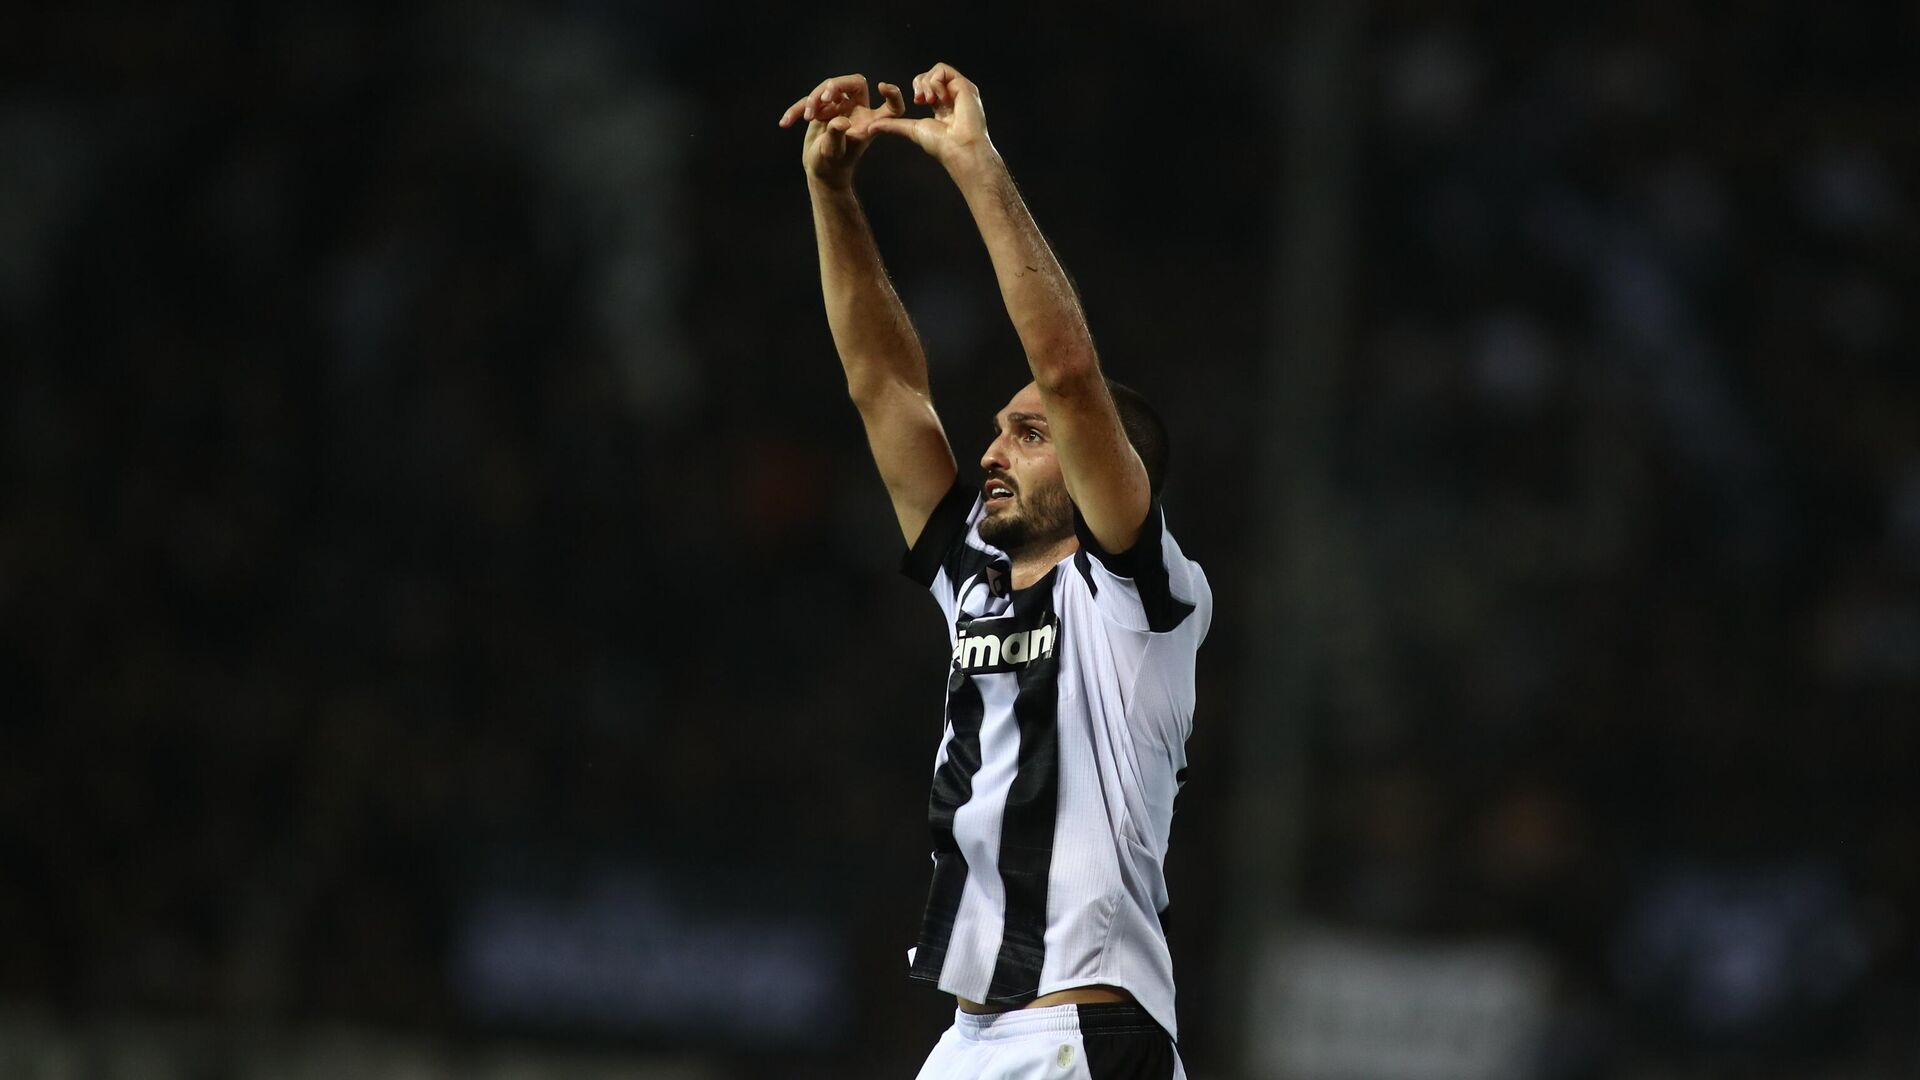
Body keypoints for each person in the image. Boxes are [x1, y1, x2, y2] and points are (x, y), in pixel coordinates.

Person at [780, 63, 1211, 1080]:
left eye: (1029, 435)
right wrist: (832, 191)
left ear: (1108, 467)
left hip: (1079, 1033)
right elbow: (884, 385)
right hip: (977, 1037)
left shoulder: (1140, 598)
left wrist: (975, 165)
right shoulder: (974, 575)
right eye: (999, 430)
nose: (992, 453)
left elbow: (1068, 371)